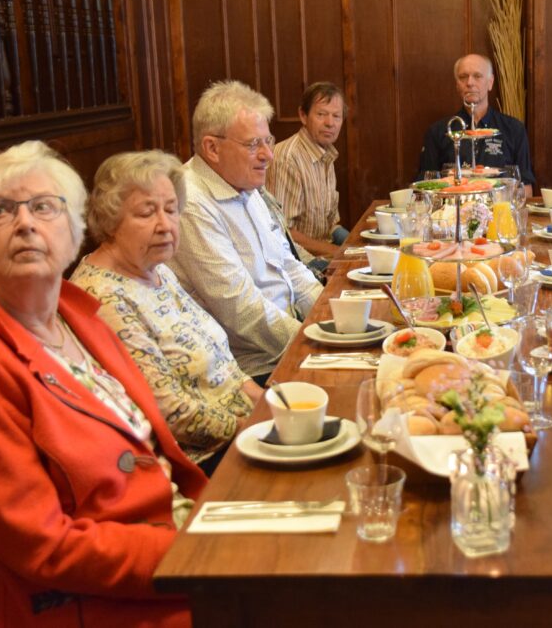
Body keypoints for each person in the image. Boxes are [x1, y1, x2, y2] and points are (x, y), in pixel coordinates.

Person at [0, 141, 207, 627]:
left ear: (75, 230)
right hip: (95, 598)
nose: (25, 223)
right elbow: (44, 547)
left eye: (43, 207)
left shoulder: (78, 316)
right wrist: (200, 553)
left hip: (177, 533)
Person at [71, 150, 262, 474]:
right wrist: (258, 429)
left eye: (171, 210)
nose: (165, 225)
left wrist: (270, 404)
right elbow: (171, 414)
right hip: (203, 460)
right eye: (147, 213)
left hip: (244, 430)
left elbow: (226, 365)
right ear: (110, 219)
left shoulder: (156, 268)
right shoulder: (102, 296)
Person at [169, 80, 323, 382]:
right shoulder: (191, 201)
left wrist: (334, 318)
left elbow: (291, 268)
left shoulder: (243, 182)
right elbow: (242, 312)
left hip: (293, 339)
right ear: (212, 148)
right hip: (254, 368)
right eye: (254, 144)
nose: (269, 155)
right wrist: (318, 342)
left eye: (269, 141)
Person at [417, 53, 536, 193]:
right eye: (463, 77)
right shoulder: (438, 131)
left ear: (490, 82)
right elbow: (426, 187)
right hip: (452, 211)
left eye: (477, 76)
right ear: (457, 85)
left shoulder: (514, 129)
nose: (470, 82)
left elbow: (526, 187)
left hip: (498, 210)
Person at [266, 81, 348, 261]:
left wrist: (353, 245)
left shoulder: (327, 154)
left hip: (324, 256)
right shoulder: (288, 158)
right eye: (321, 114)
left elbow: (331, 226)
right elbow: (283, 231)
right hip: (296, 263)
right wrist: (338, 252)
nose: (330, 123)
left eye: (336, 116)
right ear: (303, 115)